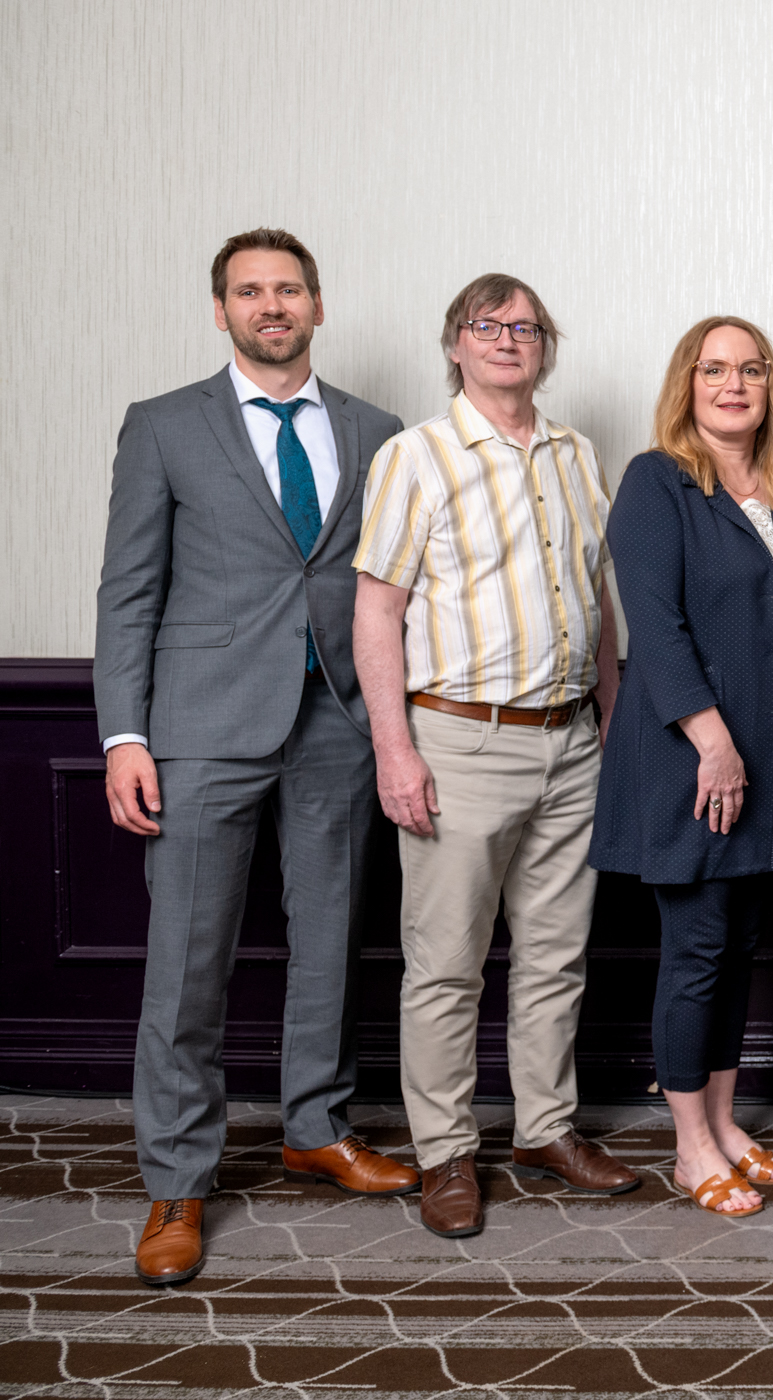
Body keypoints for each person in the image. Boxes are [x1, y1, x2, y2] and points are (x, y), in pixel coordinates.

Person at [94, 227, 414, 1287]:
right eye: (248, 291)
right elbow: (129, 592)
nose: (270, 305)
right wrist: (124, 734)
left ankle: (316, 1126)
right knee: (188, 960)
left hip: (336, 720)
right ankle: (177, 1178)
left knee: (330, 945)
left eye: (287, 289)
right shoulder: (163, 426)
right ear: (221, 309)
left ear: (317, 306)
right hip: (198, 727)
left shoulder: (378, 432)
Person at [353, 274, 637, 1240]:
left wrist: (613, 723)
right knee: (446, 967)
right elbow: (376, 612)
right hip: (460, 741)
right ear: (457, 345)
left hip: (571, 742)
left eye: (526, 327)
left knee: (556, 957)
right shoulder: (416, 457)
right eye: (489, 325)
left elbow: (598, 603)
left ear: (545, 347)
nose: (509, 340)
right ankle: (446, 1155)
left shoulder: (575, 454)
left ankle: (543, 1131)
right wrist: (396, 750)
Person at [589, 316, 773, 1219]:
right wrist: (713, 744)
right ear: (687, 384)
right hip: (695, 754)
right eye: (714, 369)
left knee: (738, 949)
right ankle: (688, 1145)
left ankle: (722, 1123)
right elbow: (655, 622)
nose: (733, 384)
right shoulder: (656, 482)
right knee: (694, 952)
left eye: (750, 369)